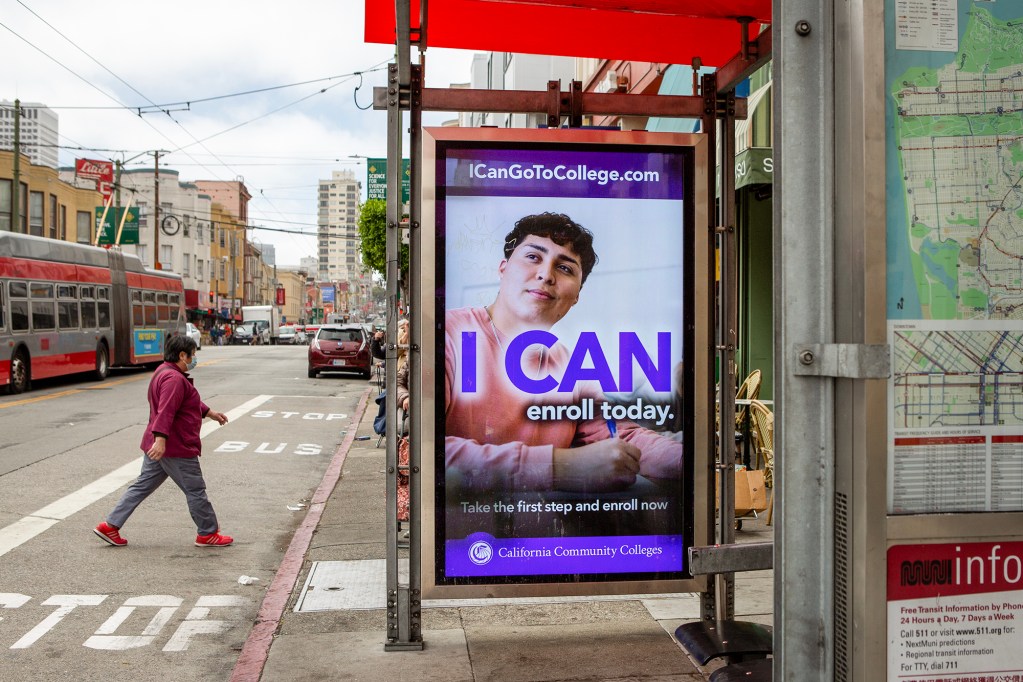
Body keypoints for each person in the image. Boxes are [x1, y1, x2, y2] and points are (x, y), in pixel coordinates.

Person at [445, 212, 683, 493]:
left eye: (566, 268)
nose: (546, 275)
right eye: (533, 257)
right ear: (503, 268)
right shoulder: (449, 334)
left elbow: (618, 436)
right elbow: (428, 451)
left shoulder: (570, 364)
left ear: (577, 295)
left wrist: (699, 463)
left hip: (545, 533)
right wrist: (559, 466)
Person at [93, 335, 234, 547]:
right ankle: (208, 533)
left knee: (141, 486)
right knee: (195, 489)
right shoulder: (174, 379)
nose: (194, 359)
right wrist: (161, 440)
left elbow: (186, 401)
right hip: (174, 446)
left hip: (160, 445)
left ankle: (110, 526)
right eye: (192, 355)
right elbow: (166, 410)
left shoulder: (164, 371)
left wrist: (209, 412)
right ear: (182, 355)